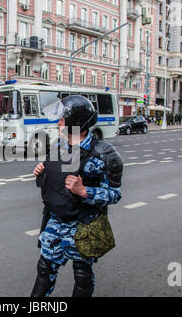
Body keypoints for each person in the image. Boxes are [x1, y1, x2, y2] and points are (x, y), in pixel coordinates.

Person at [31, 95, 123, 297]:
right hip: (55, 222)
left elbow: (115, 194)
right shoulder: (58, 146)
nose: (58, 122)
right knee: (44, 271)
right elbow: (53, 181)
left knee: (82, 274)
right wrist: (41, 172)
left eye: (62, 118)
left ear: (76, 122)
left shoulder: (105, 154)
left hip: (84, 226)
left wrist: (84, 191)